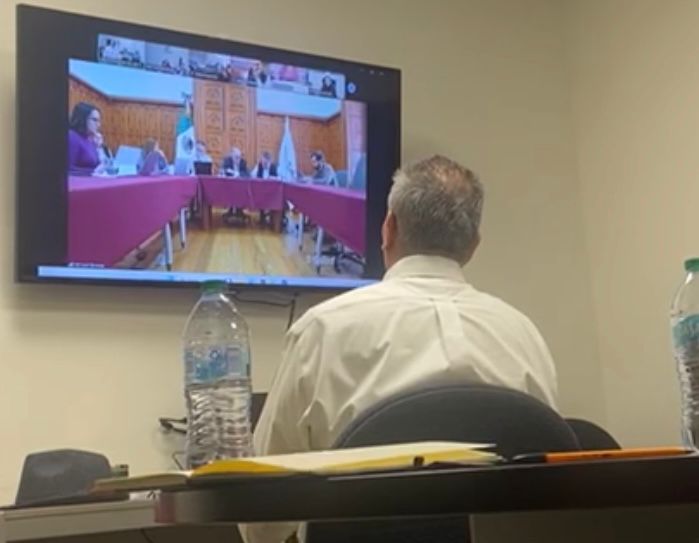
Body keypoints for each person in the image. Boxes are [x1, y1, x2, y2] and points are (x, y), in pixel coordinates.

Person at [243, 155, 558, 543]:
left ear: (388, 228)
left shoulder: (321, 331)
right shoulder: (523, 335)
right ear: (473, 246)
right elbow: (551, 492)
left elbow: (260, 517)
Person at [68, 102, 101, 175]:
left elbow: (97, 165)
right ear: (83, 118)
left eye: (99, 121)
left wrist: (98, 148)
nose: (98, 125)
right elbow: (69, 170)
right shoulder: (72, 137)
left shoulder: (89, 139)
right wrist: (93, 172)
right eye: (95, 120)